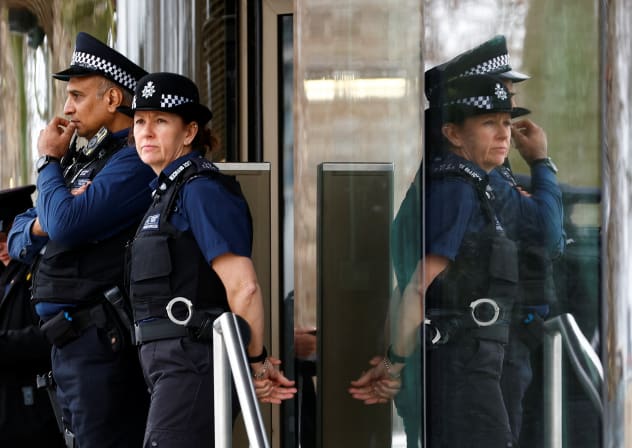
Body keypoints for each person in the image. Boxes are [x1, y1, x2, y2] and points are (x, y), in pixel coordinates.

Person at [350, 73, 556, 447]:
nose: (504, 134)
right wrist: (394, 363)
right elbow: (416, 286)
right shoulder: (455, 189)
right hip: (461, 364)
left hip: (475, 359)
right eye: (489, 123)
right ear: (453, 134)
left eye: (507, 123)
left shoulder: (474, 185)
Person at [121, 72, 296, 447]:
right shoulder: (165, 194)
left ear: (189, 133)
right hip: (169, 365)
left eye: (161, 121)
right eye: (139, 122)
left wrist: (254, 362)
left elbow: (243, 287)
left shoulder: (201, 190)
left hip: (192, 362)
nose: (146, 132)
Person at [7, 32, 153, 447]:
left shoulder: (132, 161)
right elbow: (19, 235)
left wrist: (47, 159)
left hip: (100, 343)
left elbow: (67, 225)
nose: (66, 109)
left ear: (111, 100)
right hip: (69, 346)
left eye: (77, 96)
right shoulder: (83, 163)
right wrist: (43, 223)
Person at [0, 185, 64, 447]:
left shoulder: (41, 269)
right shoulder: (5, 277)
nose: (2, 246)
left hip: (36, 405)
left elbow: (52, 332)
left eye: (6, 237)